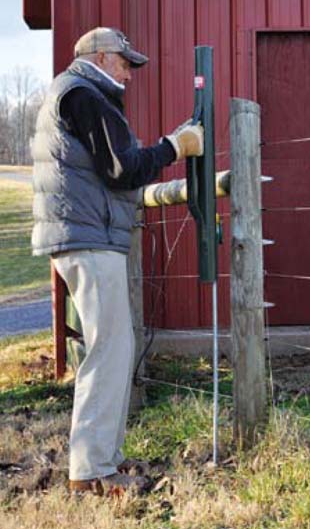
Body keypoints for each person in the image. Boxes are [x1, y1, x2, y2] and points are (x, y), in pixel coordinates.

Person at [31, 27, 204, 495]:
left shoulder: (75, 93)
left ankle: (102, 459)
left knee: (113, 347)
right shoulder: (84, 96)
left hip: (83, 233)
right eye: (126, 62)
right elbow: (120, 169)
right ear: (102, 57)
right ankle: (90, 471)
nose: (130, 71)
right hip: (89, 236)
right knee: (109, 350)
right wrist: (174, 147)